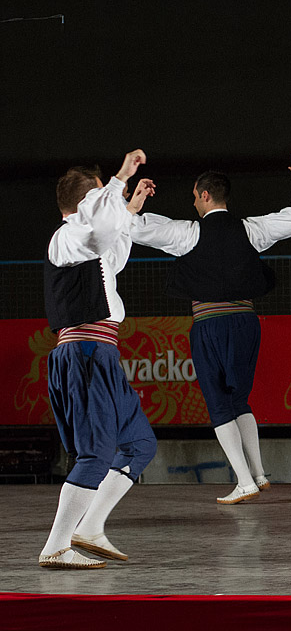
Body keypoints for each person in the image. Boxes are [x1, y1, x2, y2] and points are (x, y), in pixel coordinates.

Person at [129, 153, 291, 504]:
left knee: (218, 404)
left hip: (209, 324)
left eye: (194, 195)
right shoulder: (250, 230)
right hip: (246, 322)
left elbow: (137, 229)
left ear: (203, 195)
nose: (193, 201)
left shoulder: (188, 233)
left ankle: (244, 482)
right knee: (238, 400)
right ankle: (259, 474)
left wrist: (133, 202)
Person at [40, 150, 158, 569]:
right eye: (100, 197)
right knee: (96, 452)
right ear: (84, 202)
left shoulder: (90, 243)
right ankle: (56, 545)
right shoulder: (68, 236)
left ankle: (90, 527)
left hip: (102, 353)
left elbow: (112, 251)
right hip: (84, 352)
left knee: (140, 444)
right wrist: (119, 179)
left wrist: (128, 208)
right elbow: (99, 235)